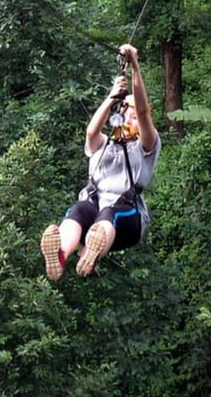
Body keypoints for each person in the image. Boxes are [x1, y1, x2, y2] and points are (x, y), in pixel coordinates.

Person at [40, 44, 161, 279]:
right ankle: (61, 255)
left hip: (128, 218)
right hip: (94, 211)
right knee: (78, 210)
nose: (133, 120)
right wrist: (112, 97)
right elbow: (91, 132)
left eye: (136, 118)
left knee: (110, 213)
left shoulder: (146, 146)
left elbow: (144, 113)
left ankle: (92, 253)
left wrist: (135, 66)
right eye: (129, 115)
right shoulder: (103, 144)